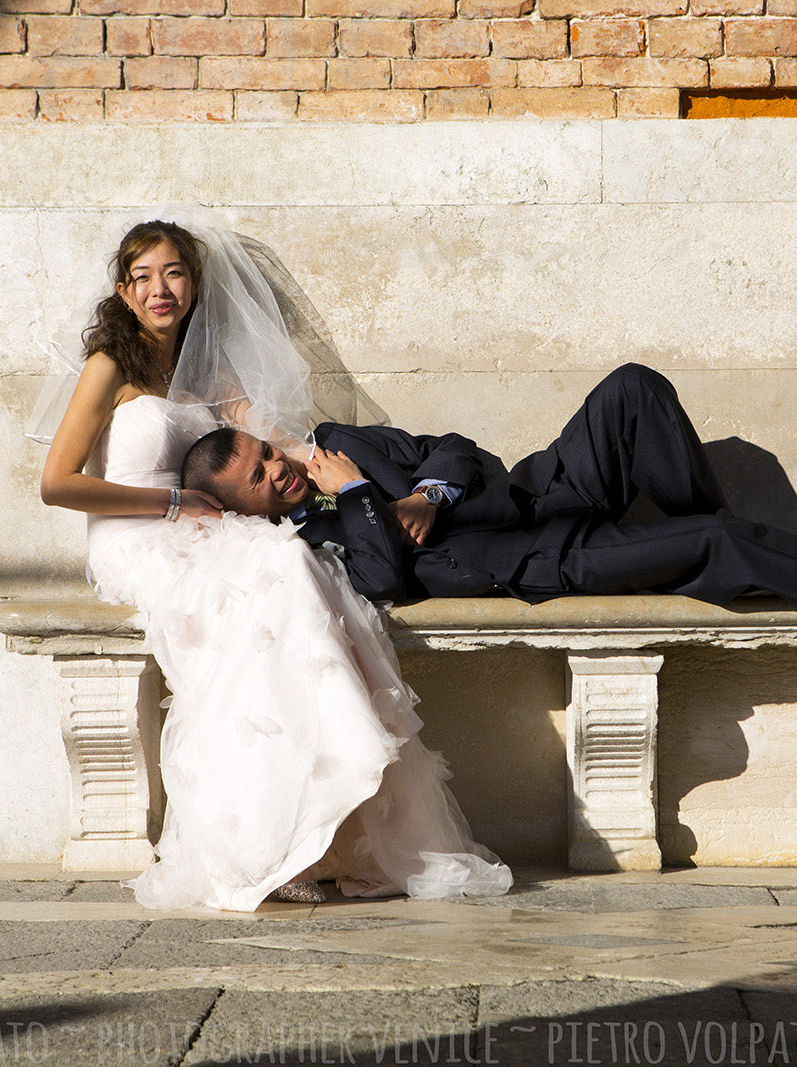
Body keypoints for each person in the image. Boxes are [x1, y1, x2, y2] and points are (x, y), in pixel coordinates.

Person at [34, 215, 511, 910]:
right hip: (140, 537)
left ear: (194, 284)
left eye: (173, 273)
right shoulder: (110, 367)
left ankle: (323, 827)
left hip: (207, 528)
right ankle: (264, 840)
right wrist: (171, 505)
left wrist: (370, 490)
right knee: (262, 593)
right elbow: (56, 484)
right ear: (123, 290)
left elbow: (279, 440)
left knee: (291, 563)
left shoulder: (208, 368)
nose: (159, 288)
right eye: (143, 277)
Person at [182, 363, 797, 613]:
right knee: (714, 542)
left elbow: (456, 448)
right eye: (260, 476)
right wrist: (360, 493)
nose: (278, 467)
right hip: (547, 555)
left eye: (265, 451)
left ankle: (733, 551)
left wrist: (427, 492)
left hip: (541, 488)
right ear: (241, 505)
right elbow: (385, 576)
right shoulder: (306, 541)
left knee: (633, 388)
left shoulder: (337, 441)